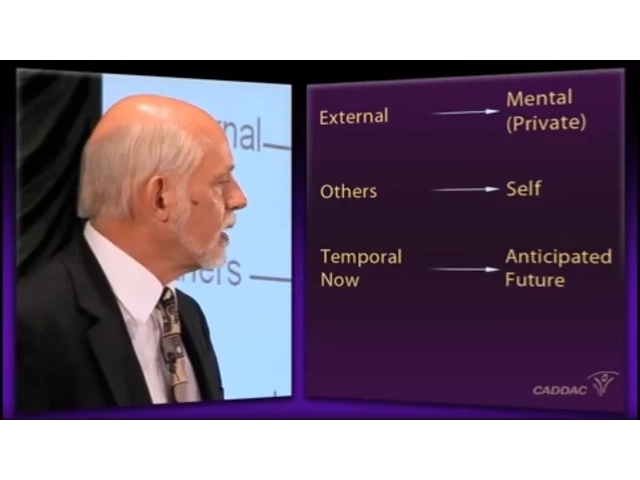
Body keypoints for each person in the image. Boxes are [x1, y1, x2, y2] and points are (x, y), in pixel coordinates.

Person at [16, 94, 248, 414]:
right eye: (221, 182)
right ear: (160, 198)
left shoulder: (188, 315)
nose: (239, 198)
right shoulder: (28, 323)